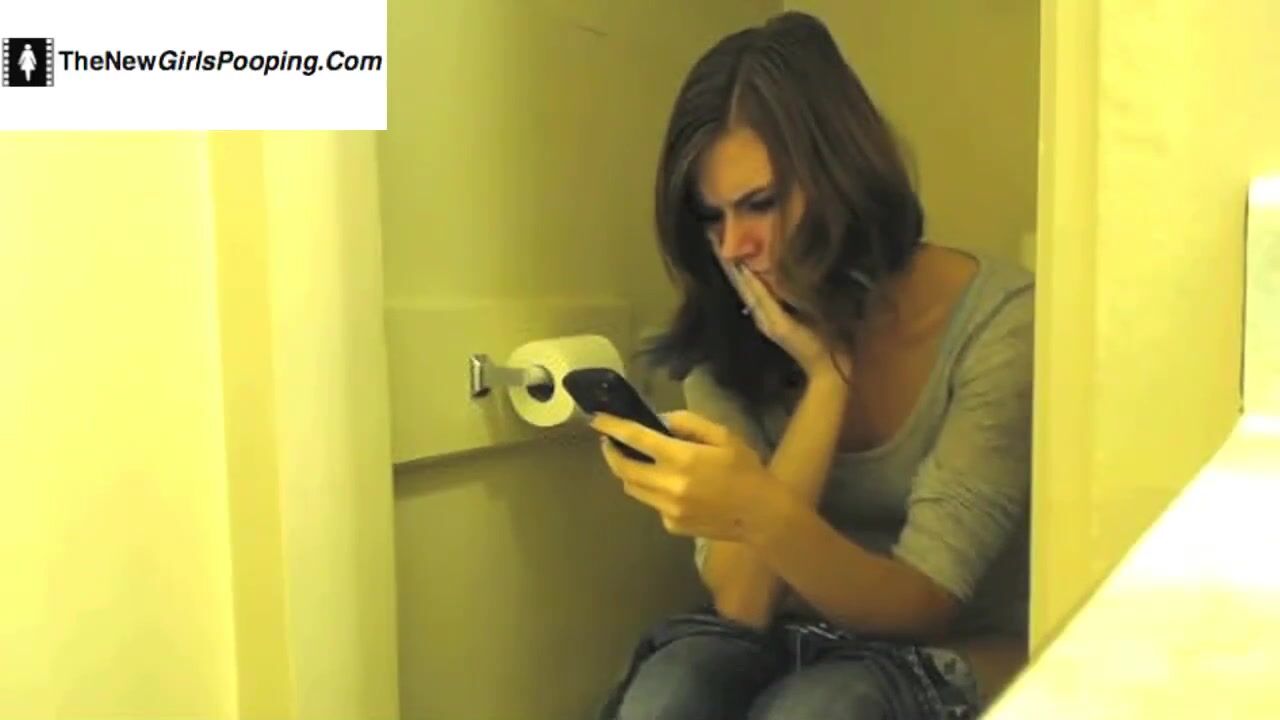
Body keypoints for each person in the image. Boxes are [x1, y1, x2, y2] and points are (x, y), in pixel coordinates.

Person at [588, 11, 1034, 720]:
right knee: (664, 698)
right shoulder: (727, 335)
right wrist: (826, 384)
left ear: (841, 179)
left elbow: (925, 601)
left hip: (943, 648)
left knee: (818, 709)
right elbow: (743, 602)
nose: (733, 246)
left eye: (760, 204)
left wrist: (757, 508)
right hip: (781, 635)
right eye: (712, 216)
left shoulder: (999, 322)